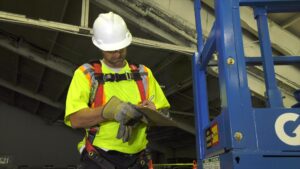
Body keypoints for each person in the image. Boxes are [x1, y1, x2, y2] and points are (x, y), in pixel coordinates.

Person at [64, 11, 170, 169]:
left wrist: (152, 112)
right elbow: (75, 120)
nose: (118, 54)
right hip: (99, 157)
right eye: (112, 50)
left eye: (121, 48)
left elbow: (165, 115)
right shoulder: (86, 74)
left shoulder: (144, 74)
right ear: (100, 47)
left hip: (139, 159)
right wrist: (110, 111)